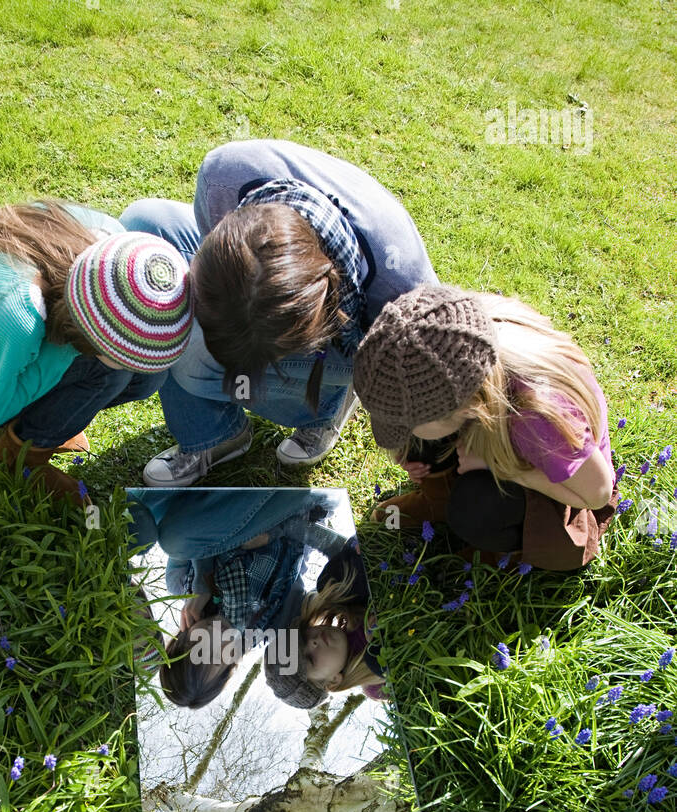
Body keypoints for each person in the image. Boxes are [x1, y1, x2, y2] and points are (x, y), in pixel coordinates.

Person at [120, 139, 437, 486]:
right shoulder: (224, 178)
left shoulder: (404, 298)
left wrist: (413, 447)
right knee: (144, 227)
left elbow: (426, 387)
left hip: (355, 339)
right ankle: (215, 435)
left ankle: (327, 407)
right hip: (284, 290)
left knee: (189, 350)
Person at [0, 202, 193, 503]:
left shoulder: (115, 250)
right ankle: (19, 458)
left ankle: (45, 424)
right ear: (83, 330)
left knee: (145, 377)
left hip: (5, 343)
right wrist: (66, 359)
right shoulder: (13, 316)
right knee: (109, 376)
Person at [354, 285, 618, 569]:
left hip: (567, 488)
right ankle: (437, 501)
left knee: (474, 508)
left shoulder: (536, 416)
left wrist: (503, 469)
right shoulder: (455, 335)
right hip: (505, 428)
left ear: (470, 408)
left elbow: (598, 494)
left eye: (404, 426)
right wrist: (411, 449)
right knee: (421, 436)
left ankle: (509, 549)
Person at [132, 491, 348, 708]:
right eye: (216, 656)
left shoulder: (180, 584)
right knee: (173, 538)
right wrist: (277, 531)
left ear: (182, 636)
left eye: (196, 644)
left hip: (233, 501)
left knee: (173, 538)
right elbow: (337, 560)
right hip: (293, 508)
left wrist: (201, 582)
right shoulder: (275, 626)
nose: (211, 637)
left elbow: (190, 534)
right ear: (230, 666)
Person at [264, 539, 387, 708]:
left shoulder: (337, 588)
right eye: (310, 658)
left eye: (304, 637)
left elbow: (365, 540)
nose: (313, 641)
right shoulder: (376, 682)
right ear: (333, 681)